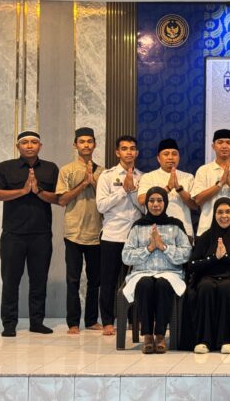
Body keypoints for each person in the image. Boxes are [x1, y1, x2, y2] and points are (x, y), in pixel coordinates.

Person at [0, 131, 59, 337]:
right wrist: (22, 191)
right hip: (13, 235)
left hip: (41, 234)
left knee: (39, 280)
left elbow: (59, 199)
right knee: (10, 280)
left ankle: (37, 322)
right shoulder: (6, 167)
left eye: (34, 142)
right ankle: (9, 324)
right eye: (25, 142)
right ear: (18, 146)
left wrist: (38, 191)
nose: (29, 146)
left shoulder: (50, 168)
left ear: (40, 146)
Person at [121, 187, 192, 354]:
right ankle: (147, 336)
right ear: (146, 203)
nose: (155, 204)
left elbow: (186, 254)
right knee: (145, 284)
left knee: (162, 284)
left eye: (159, 200)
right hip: (142, 273)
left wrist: (164, 247)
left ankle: (160, 335)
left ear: (165, 203)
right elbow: (126, 256)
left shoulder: (176, 225)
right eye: (151, 201)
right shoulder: (138, 226)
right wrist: (149, 248)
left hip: (170, 273)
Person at [187, 198, 230, 354]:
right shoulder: (206, 237)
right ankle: (204, 341)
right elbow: (192, 264)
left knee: (227, 288)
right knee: (205, 287)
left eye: (228, 212)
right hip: (208, 278)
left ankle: (228, 340)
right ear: (214, 214)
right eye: (220, 212)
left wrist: (227, 257)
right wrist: (214, 258)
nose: (224, 216)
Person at [56, 127, 103, 334]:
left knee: (95, 280)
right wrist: (84, 183)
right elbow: (62, 200)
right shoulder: (66, 170)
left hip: (97, 233)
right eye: (82, 141)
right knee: (73, 279)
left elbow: (107, 200)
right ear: (75, 145)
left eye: (89, 141)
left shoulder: (103, 172)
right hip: (73, 232)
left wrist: (94, 182)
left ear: (95, 144)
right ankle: (73, 323)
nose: (86, 145)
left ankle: (91, 320)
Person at [96, 135, 144, 336]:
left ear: (137, 152)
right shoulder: (107, 176)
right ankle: (108, 321)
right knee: (108, 281)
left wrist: (132, 192)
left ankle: (134, 320)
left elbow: (145, 209)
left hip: (135, 237)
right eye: (124, 149)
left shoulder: (143, 177)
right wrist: (123, 191)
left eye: (132, 148)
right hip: (112, 235)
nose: (129, 152)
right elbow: (101, 206)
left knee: (134, 280)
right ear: (117, 152)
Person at [193, 129, 230, 236]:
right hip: (207, 228)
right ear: (213, 146)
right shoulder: (203, 170)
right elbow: (198, 200)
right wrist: (220, 184)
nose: (224, 146)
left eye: (228, 143)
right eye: (220, 142)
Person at [138, 138, 197, 238]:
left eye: (174, 154)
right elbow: (141, 200)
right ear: (158, 158)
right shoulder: (148, 177)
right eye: (166, 154)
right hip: (155, 230)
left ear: (179, 157)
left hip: (183, 230)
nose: (170, 157)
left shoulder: (188, 177)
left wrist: (179, 189)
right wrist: (168, 188)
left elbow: (195, 205)